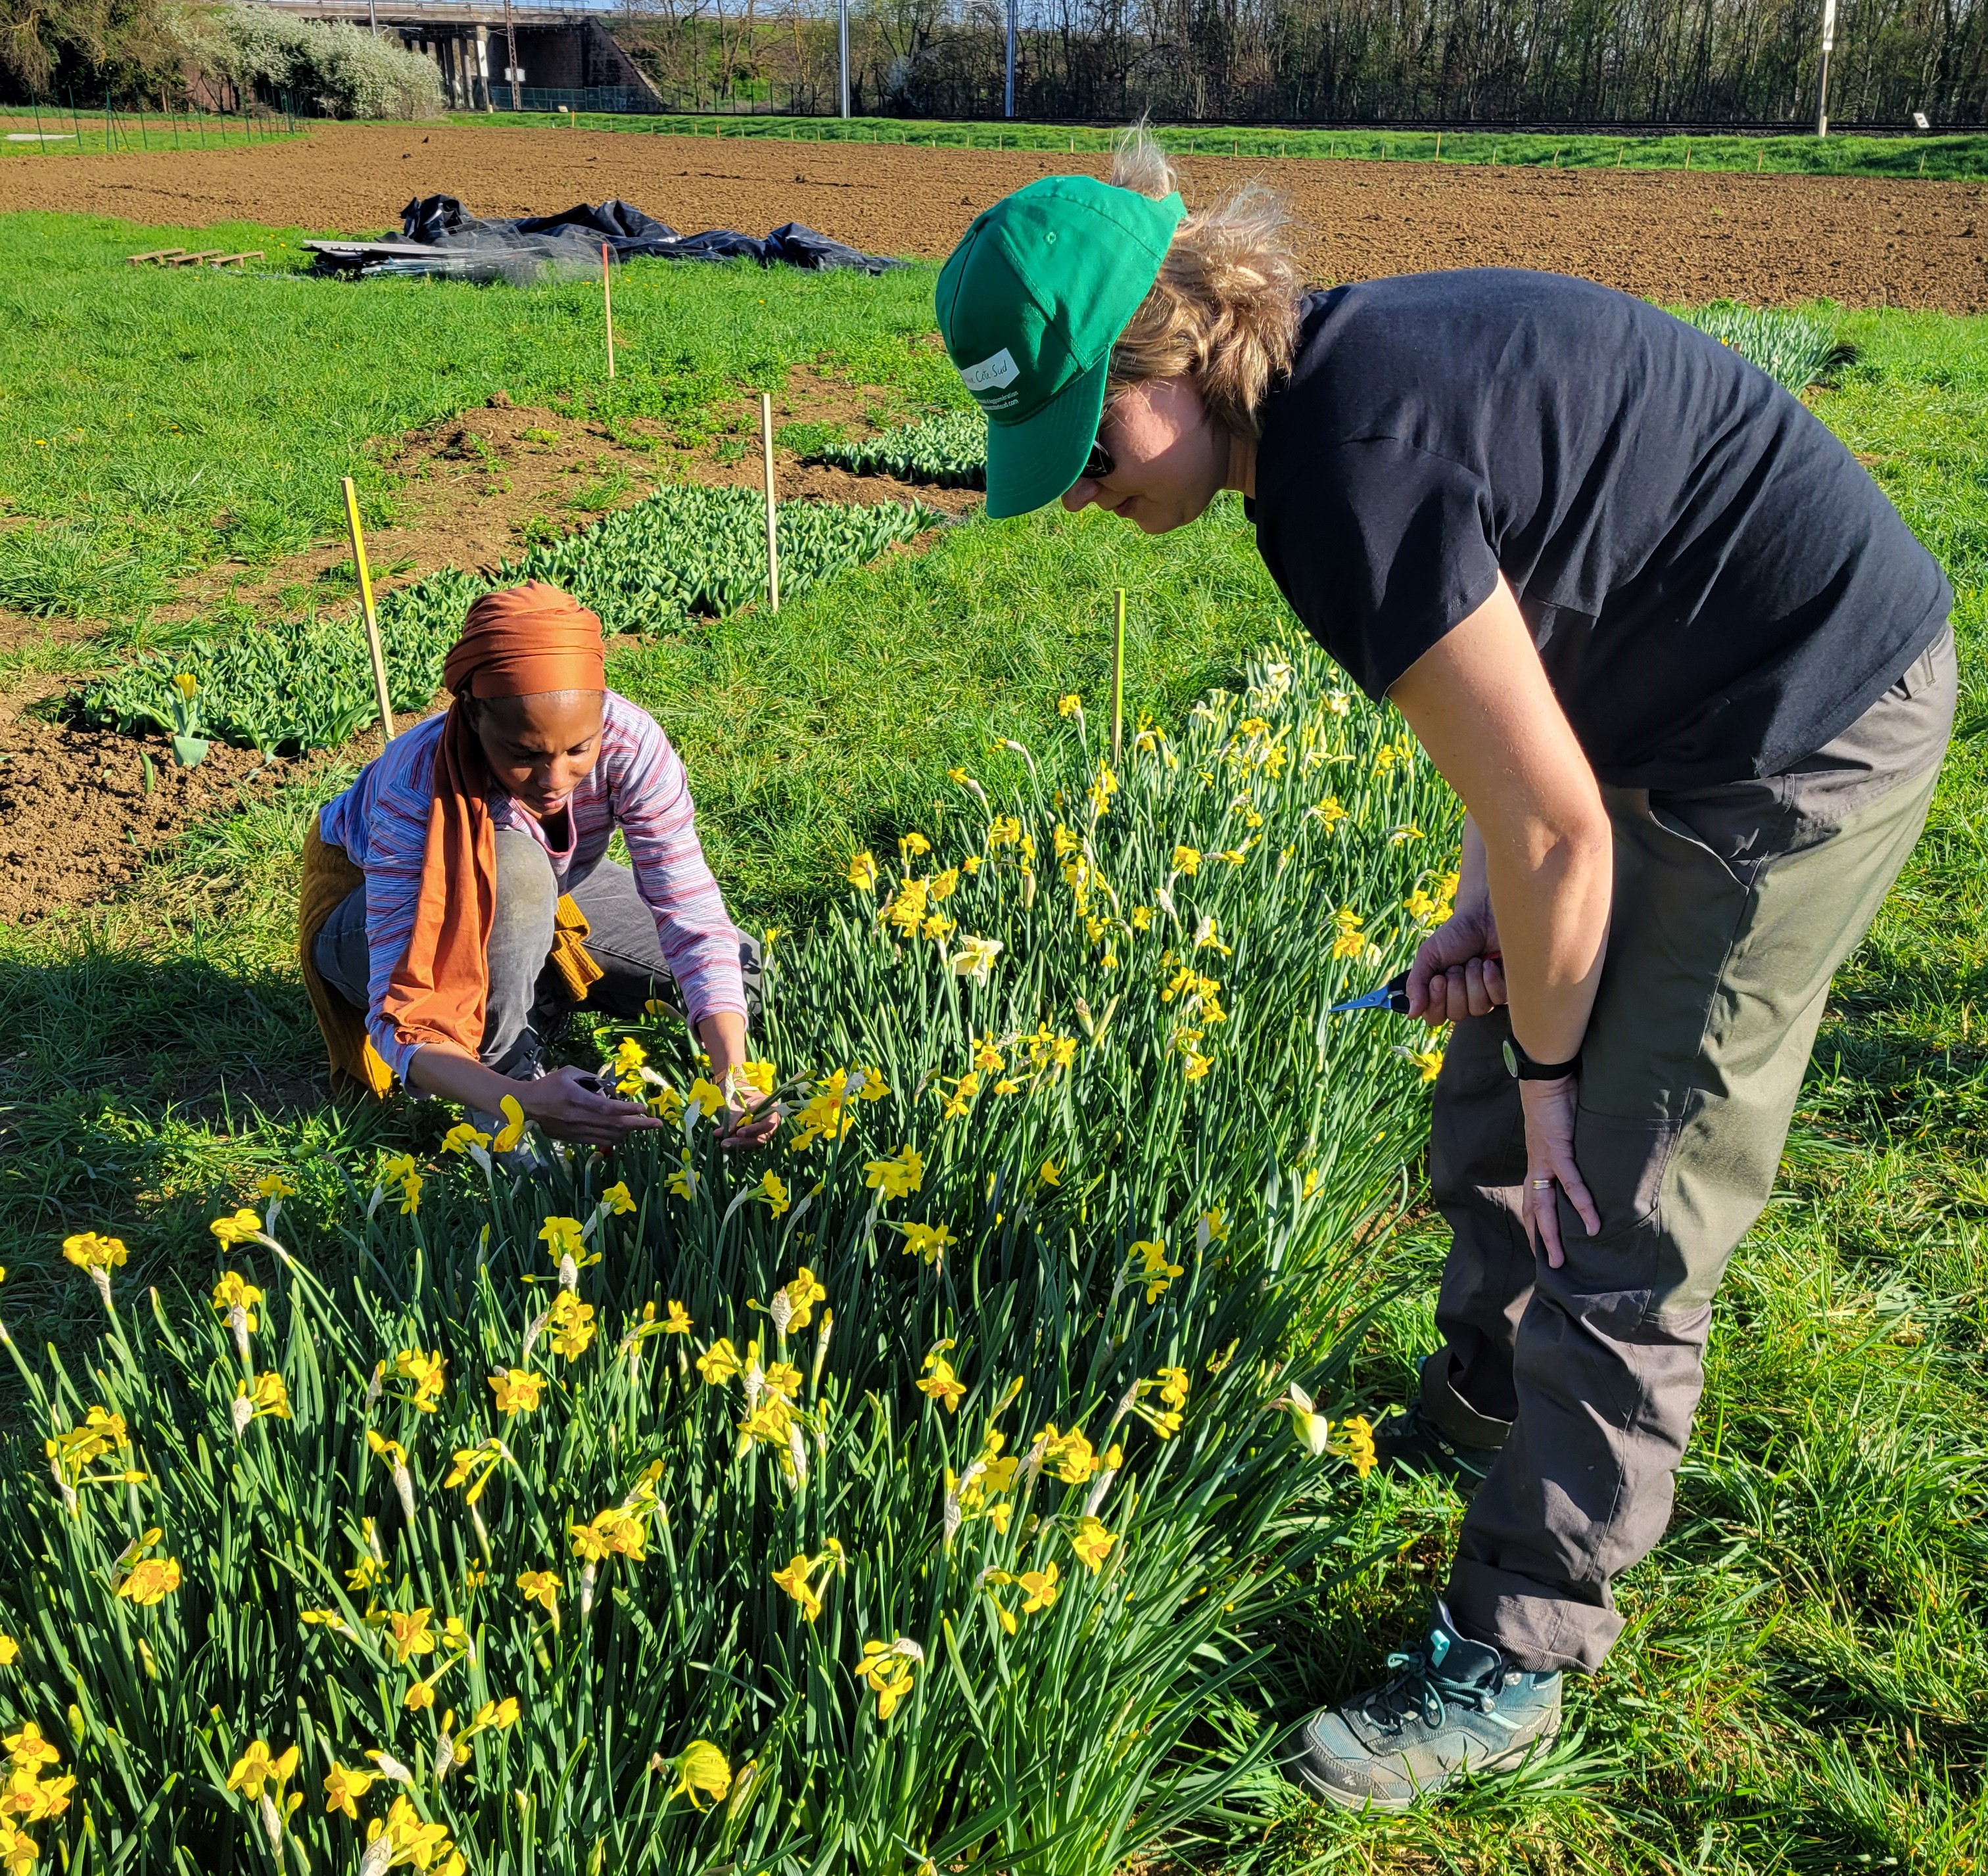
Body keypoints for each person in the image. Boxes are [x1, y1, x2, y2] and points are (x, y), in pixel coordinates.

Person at [935, 140, 1954, 1811]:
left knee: (1626, 1180)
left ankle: (1522, 1646)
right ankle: (1486, 1394)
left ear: (1174, 348)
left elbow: (1565, 834)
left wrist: (1563, 1081)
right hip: (1658, 693)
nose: (1070, 488)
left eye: (1084, 440)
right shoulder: (1328, 414)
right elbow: (1529, 679)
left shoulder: (1350, 465)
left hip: (1802, 720)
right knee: (1490, 1042)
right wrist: (1484, 912)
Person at [300, 580, 772, 1148]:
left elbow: (691, 914)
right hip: (361, 913)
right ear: (474, 715)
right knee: (514, 868)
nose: (554, 781)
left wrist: (732, 1075)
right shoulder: (417, 783)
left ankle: (532, 985)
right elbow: (398, 1015)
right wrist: (520, 1102)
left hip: (548, 885)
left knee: (744, 980)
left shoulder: (630, 743)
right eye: (525, 755)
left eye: (579, 750)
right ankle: (503, 1079)